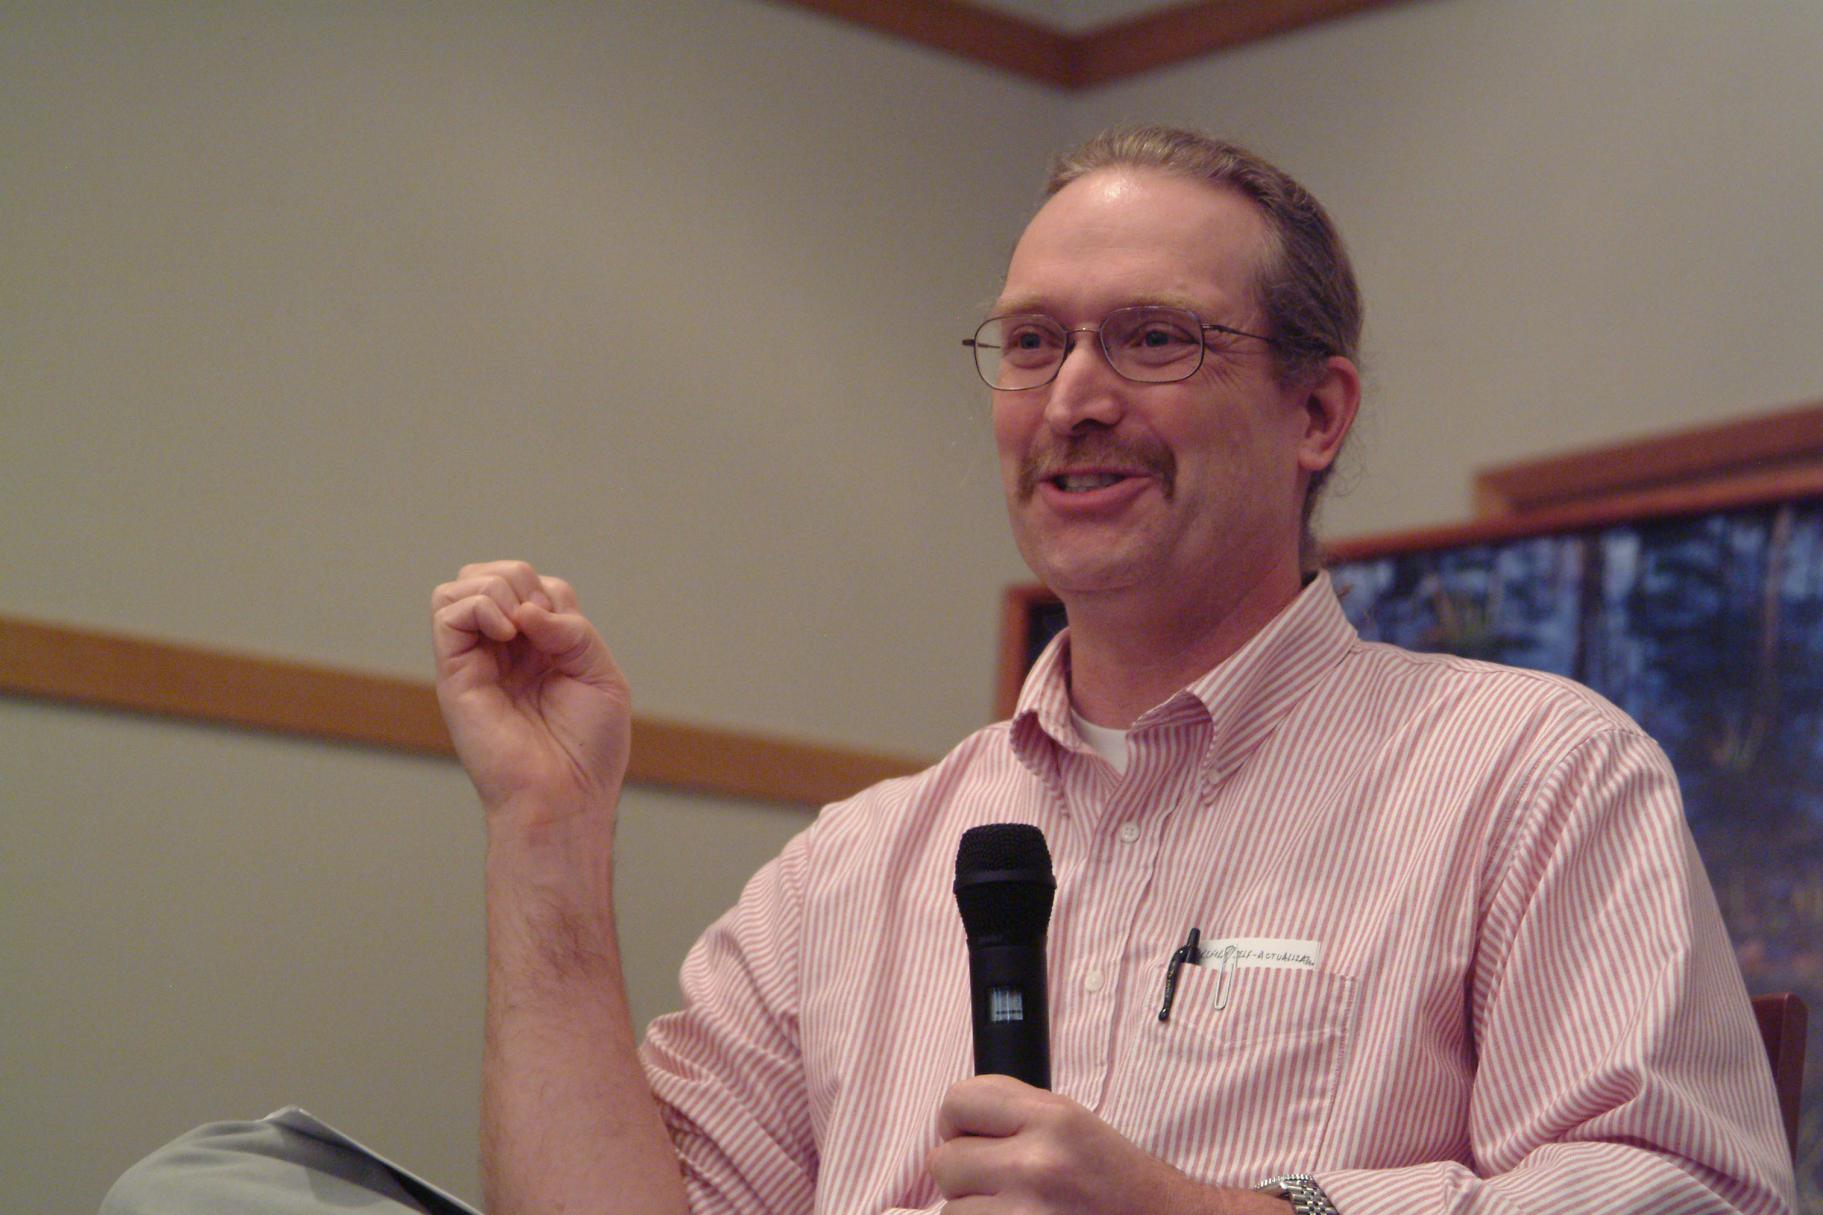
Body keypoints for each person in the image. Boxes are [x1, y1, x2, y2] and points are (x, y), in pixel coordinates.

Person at [105, 126, 1797, 1215]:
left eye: (1153, 339)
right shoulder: (865, 862)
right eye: (1034, 342)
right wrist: (549, 829)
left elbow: (1686, 1202)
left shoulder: (1532, 772)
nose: (1071, 398)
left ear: (1317, 413)